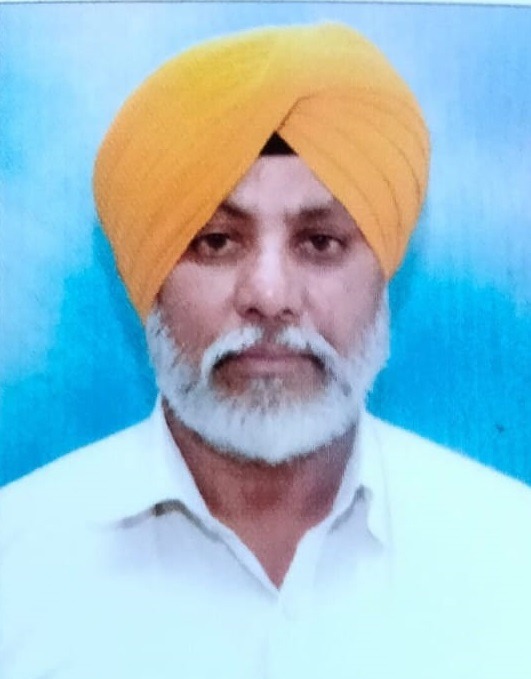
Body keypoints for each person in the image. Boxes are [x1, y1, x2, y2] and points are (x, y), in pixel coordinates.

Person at [1, 22, 530, 679]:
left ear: (382, 276)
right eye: (216, 242)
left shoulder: (511, 555)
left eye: (320, 242)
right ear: (148, 276)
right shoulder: (17, 567)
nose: (270, 296)